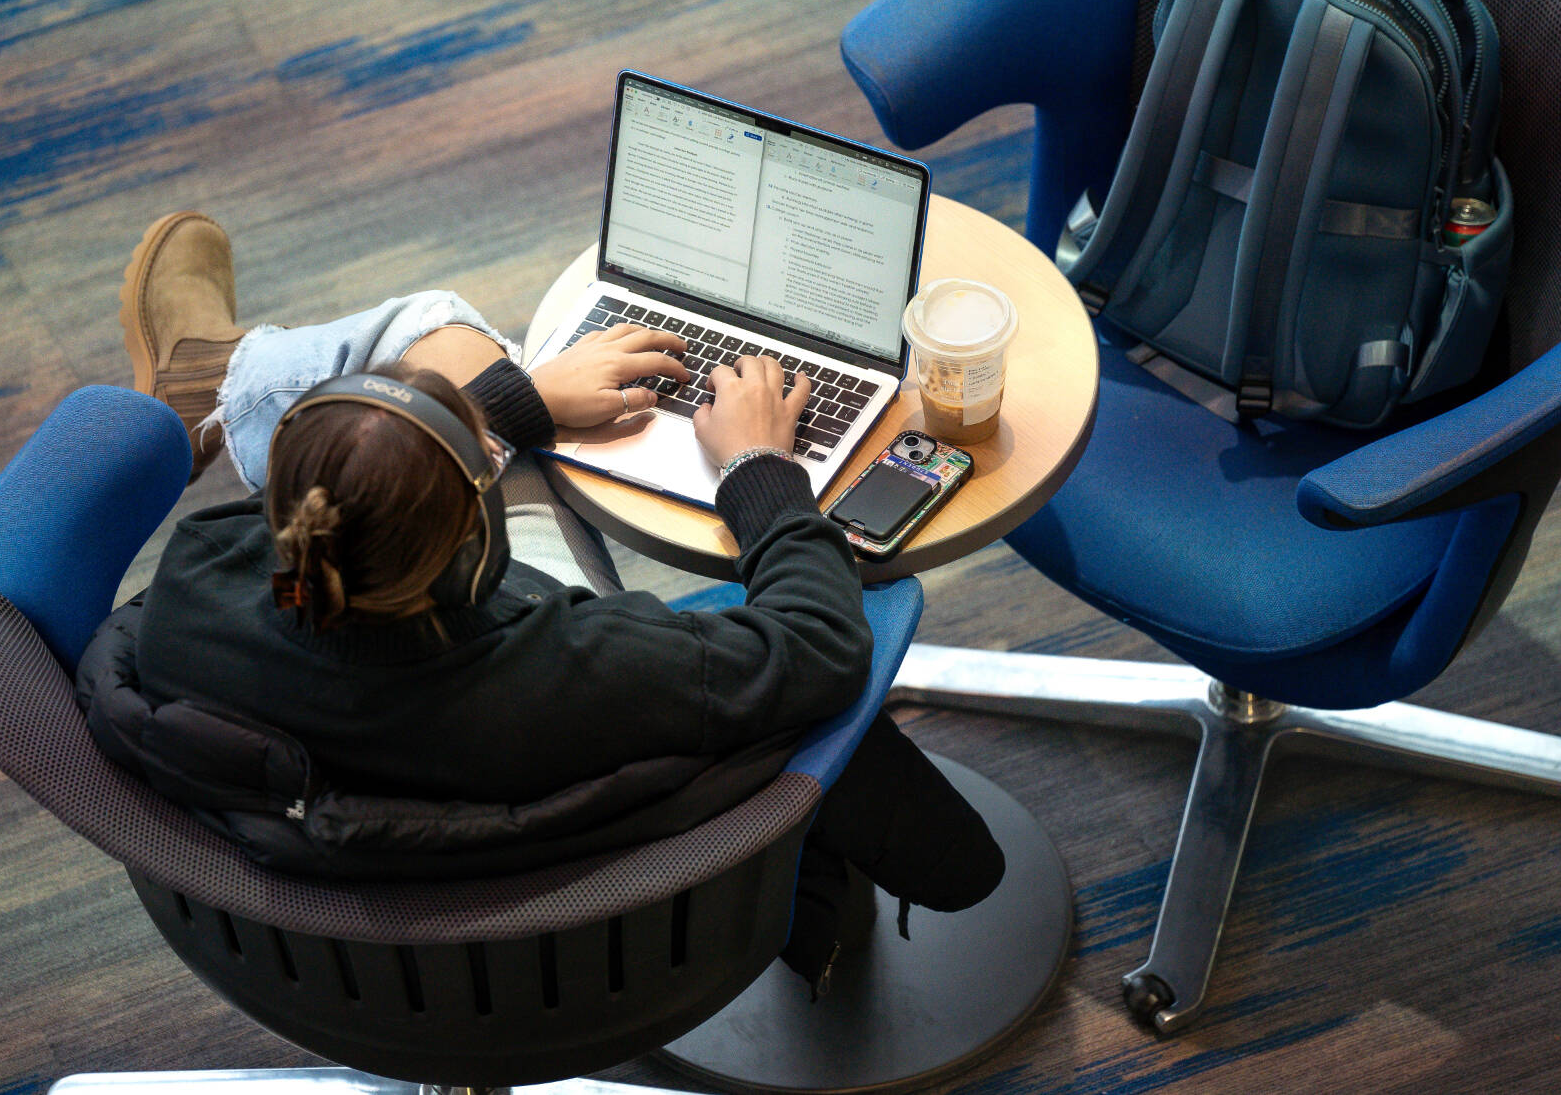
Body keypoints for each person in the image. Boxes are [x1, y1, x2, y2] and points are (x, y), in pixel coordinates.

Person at [78, 211, 1004, 997]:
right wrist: (761, 465)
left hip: (313, 960)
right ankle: (229, 370)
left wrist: (515, 403)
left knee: (439, 338)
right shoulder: (578, 672)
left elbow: (330, 526)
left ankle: (218, 375)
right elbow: (819, 643)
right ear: (480, 549)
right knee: (437, 321)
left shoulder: (200, 588)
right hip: (581, 957)